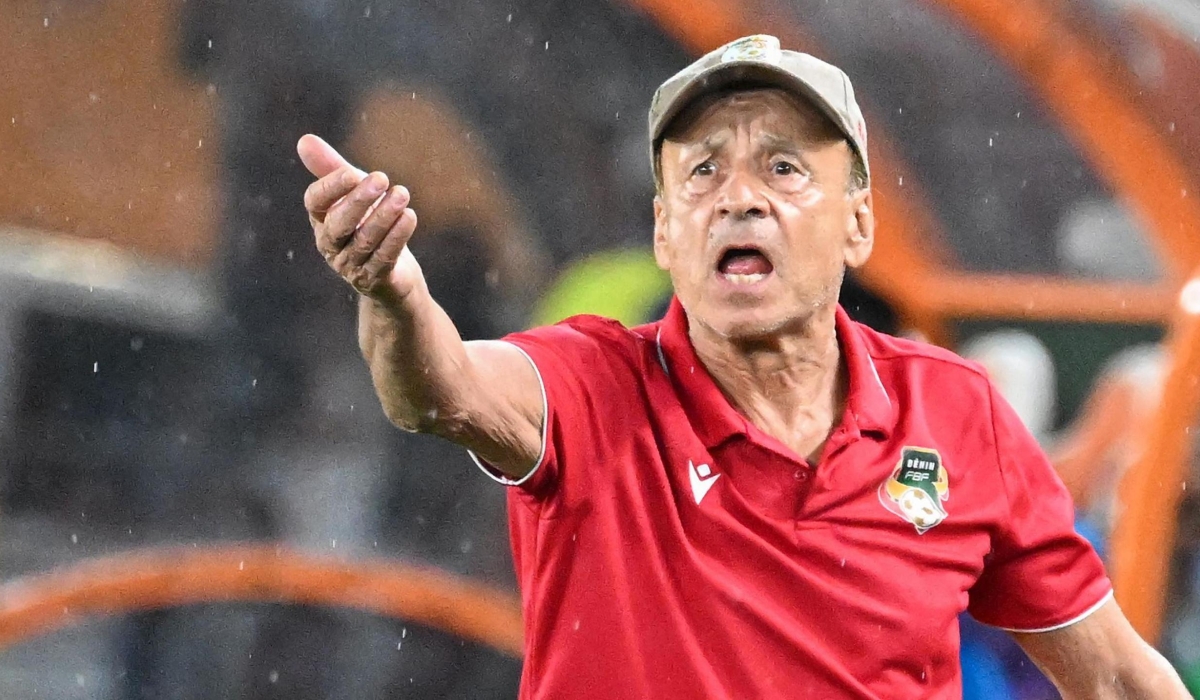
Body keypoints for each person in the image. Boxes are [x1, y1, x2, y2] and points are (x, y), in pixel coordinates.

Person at [297, 34, 1187, 699]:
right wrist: (394, 295)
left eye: (786, 167)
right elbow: (437, 391)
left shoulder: (956, 412)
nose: (740, 197)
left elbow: (1111, 678)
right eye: (703, 172)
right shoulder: (592, 384)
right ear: (662, 231)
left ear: (859, 225)